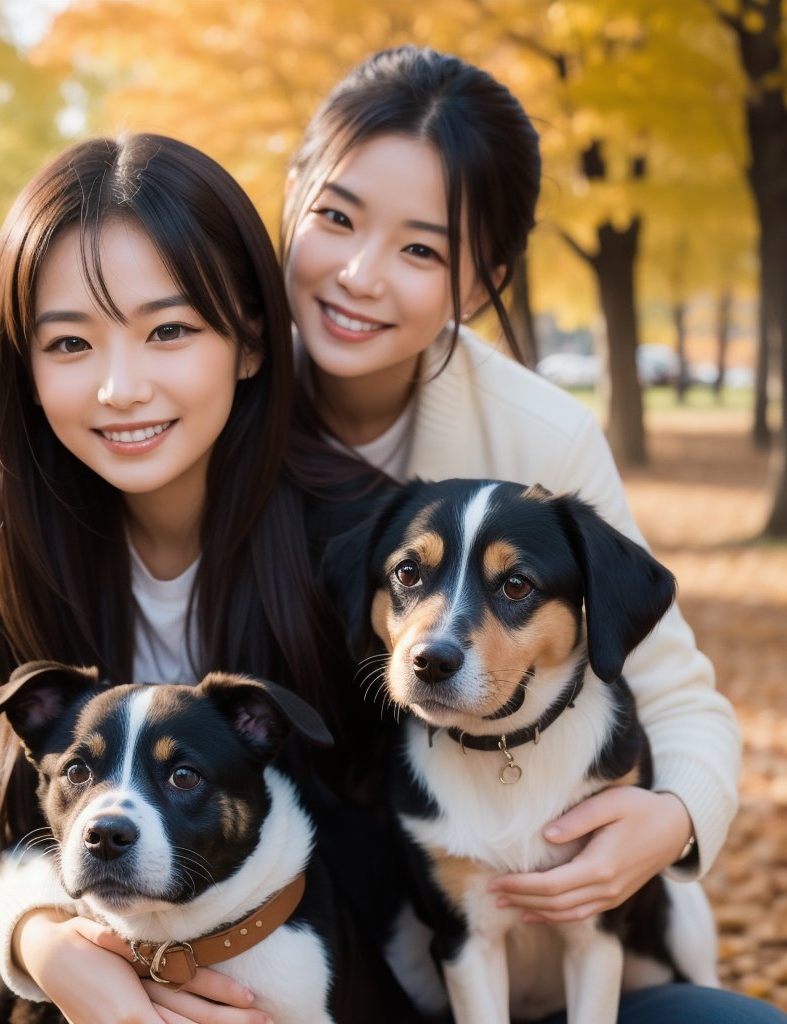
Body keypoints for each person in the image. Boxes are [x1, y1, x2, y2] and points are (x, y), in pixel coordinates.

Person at [280, 44, 785, 1023]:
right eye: (335, 217)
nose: (359, 274)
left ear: (482, 281)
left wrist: (670, 818)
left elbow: (676, 694)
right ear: (292, 199)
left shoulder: (541, 437)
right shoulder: (205, 390)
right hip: (307, 907)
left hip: (537, 918)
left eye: (420, 249)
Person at [0, 133, 405, 1024]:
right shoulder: (9, 547)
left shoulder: (358, 544)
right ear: (25, 366)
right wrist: (45, 946)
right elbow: (12, 824)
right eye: (70, 343)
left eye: (168, 330)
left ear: (249, 342)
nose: (121, 387)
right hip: (84, 932)